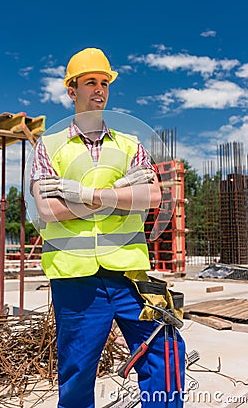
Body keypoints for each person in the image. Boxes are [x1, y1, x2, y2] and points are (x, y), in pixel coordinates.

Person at [31, 47, 185, 408]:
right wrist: (120, 192)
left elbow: (151, 196)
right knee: (77, 369)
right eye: (90, 82)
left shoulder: (130, 144)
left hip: (131, 271)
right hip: (75, 277)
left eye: (104, 82)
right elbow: (48, 208)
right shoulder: (50, 146)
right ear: (72, 91)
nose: (99, 89)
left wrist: (83, 194)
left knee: (167, 348)